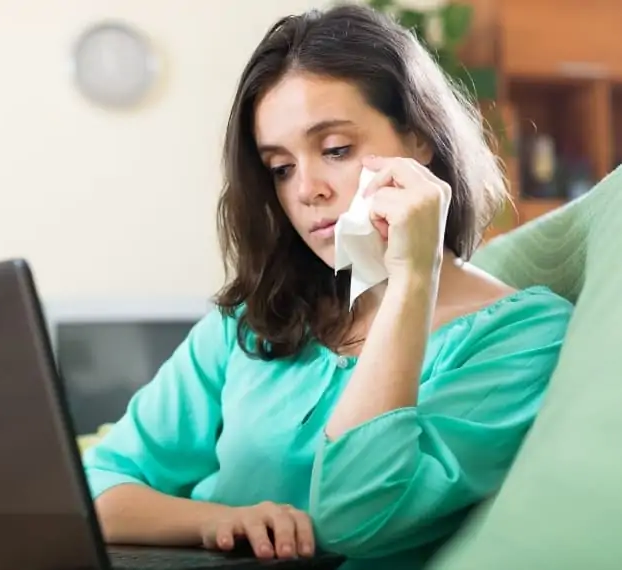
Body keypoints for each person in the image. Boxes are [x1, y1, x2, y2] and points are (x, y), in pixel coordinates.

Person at [81, 4, 573, 569]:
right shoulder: (254, 320)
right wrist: (221, 521)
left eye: (335, 150)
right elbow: (98, 484)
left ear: (419, 141)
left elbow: (356, 515)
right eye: (280, 167)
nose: (306, 189)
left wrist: (413, 278)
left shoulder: (524, 334)